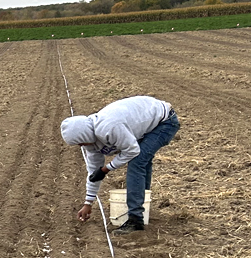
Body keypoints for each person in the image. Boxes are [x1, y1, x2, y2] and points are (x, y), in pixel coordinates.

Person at [60, 95, 180, 234]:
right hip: (148, 123)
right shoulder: (91, 144)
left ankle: (135, 220)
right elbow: (94, 173)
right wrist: (88, 202)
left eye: (79, 142)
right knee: (142, 162)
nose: (80, 146)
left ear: (84, 135)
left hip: (164, 121)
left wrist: (106, 169)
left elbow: (132, 150)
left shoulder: (108, 128)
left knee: (137, 161)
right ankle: (142, 209)